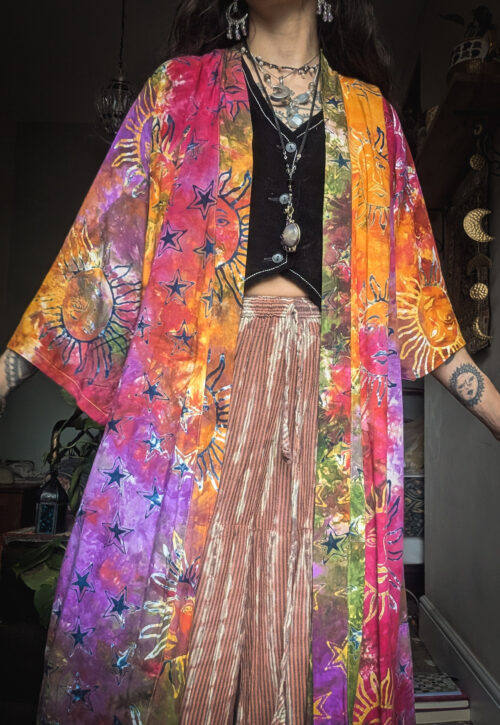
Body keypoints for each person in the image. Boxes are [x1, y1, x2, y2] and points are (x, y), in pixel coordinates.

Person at [1, 0, 499, 723]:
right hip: (202, 404)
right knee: (183, 640)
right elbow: (95, 269)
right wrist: (6, 373)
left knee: (307, 642)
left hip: (329, 416)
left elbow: (422, 311)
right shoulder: (177, 92)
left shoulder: (374, 121)